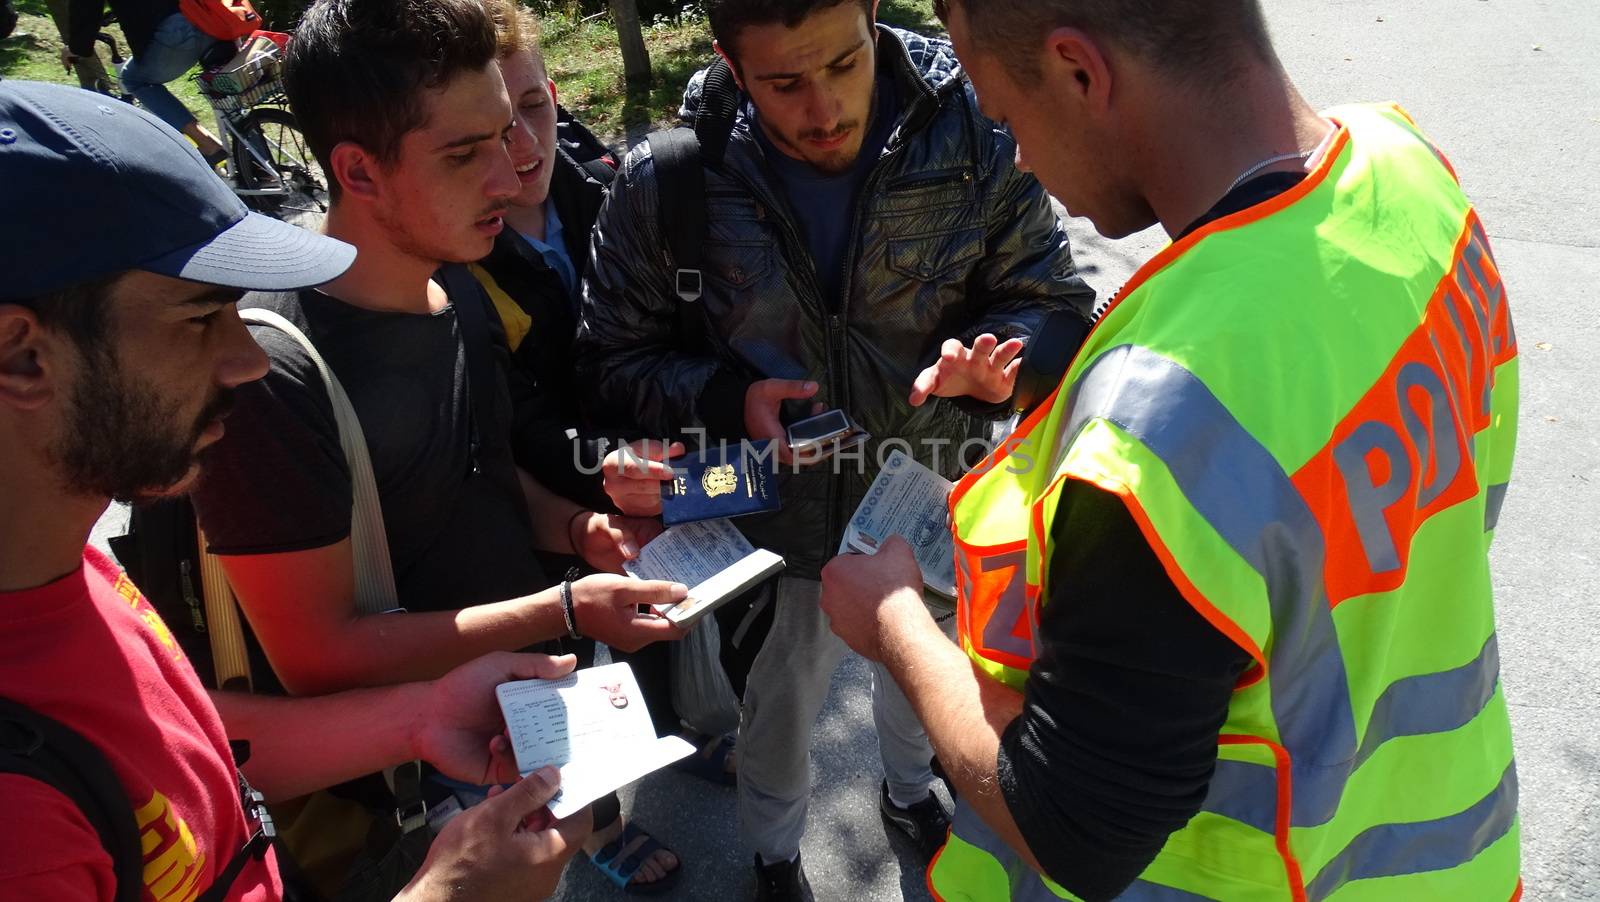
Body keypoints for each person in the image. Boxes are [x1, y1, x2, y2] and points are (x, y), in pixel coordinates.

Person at [818, 1, 1522, 900]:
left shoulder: (1159, 435)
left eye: (1008, 119)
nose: (1020, 158)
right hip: (1456, 861)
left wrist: (895, 622)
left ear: (1080, 71)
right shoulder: (1408, 171)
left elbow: (1072, 828)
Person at [0, 77, 588, 901]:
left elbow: (192, 743)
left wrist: (417, 717)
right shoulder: (15, 826)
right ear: (22, 356)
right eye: (200, 320)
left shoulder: (59, 563)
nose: (246, 362)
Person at [576, 0, 1096, 896]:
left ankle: (908, 793)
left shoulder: (969, 122)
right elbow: (612, 355)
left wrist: (1008, 367)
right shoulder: (676, 177)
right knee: (778, 719)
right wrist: (729, 398)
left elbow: (1051, 297)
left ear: (873, 23)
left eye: (845, 63)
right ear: (730, 67)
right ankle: (775, 853)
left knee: (925, 679)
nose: (824, 110)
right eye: (784, 83)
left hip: (936, 499)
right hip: (776, 533)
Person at [186, 0, 688, 891]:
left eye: (507, 132)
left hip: (520, 711)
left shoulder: (453, 277)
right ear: (358, 171)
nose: (511, 175)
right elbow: (318, 654)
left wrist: (576, 532)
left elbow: (483, 470)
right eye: (464, 154)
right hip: (410, 783)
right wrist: (566, 609)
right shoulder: (272, 375)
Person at [465, 0, 689, 891]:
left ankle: (684, 735)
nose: (521, 144)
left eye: (533, 109)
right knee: (558, 669)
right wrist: (602, 469)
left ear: (555, 94)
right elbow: (509, 416)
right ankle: (594, 824)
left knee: (655, 622)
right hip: (542, 493)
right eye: (491, 125)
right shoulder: (463, 249)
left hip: (635, 468)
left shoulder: (596, 184)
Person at [62, 0, 228, 164]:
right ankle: (247, 146)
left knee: (133, 79)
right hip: (210, 20)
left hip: (176, 33)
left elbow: (85, 9)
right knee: (235, 91)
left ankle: (207, 144)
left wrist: (76, 47)